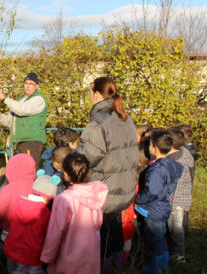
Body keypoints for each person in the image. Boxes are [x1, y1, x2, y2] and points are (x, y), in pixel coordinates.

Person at [77, 77, 138, 272]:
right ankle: (119, 265)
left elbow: (85, 158)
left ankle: (103, 267)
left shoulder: (98, 122)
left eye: (90, 92)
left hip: (104, 189)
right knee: (115, 227)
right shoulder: (125, 117)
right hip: (123, 186)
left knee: (101, 235)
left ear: (95, 94)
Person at [41, 153, 108, 274]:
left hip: (68, 259)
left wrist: (47, 256)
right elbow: (98, 223)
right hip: (91, 257)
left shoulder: (64, 199)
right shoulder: (95, 195)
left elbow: (55, 233)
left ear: (66, 174)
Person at [135, 131, 183, 273]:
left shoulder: (157, 169)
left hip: (154, 209)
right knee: (160, 237)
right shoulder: (171, 164)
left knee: (154, 241)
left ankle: (155, 268)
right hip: (164, 206)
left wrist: (139, 199)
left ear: (155, 147)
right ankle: (164, 263)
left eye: (150, 144)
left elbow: (152, 191)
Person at [4, 174, 58, 274]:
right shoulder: (44, 211)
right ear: (47, 197)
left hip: (17, 244)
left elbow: (11, 218)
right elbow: (48, 230)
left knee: (20, 268)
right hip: (34, 249)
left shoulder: (17, 203)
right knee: (35, 270)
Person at [0, 72, 47, 168]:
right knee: (21, 172)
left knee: (29, 172)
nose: (28, 86)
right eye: (26, 83)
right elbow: (11, 121)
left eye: (31, 84)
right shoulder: (21, 100)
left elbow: (22, 110)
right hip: (21, 142)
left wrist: (4, 97)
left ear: (37, 86)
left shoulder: (38, 99)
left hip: (32, 142)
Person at [0, 153, 36, 272]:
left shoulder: (8, 188)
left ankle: (13, 270)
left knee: (11, 254)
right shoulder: (35, 187)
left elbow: (0, 208)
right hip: (30, 230)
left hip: (9, 229)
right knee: (27, 253)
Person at [166, 128, 195, 263]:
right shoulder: (185, 154)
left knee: (176, 229)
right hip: (181, 199)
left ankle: (179, 254)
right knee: (175, 227)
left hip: (175, 201)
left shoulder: (173, 162)